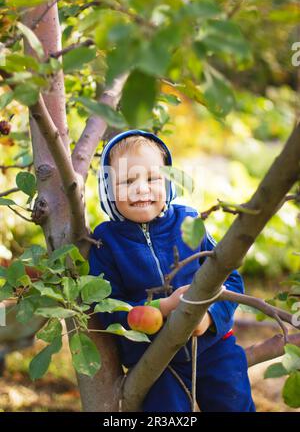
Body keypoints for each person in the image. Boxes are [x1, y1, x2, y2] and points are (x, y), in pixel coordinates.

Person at [88, 129, 255, 412]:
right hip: (153, 359)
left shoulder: (188, 222)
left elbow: (231, 279)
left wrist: (208, 317)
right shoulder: (106, 241)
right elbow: (106, 307)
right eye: (128, 181)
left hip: (213, 347)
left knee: (233, 402)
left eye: (152, 178)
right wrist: (163, 307)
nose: (142, 189)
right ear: (108, 189)